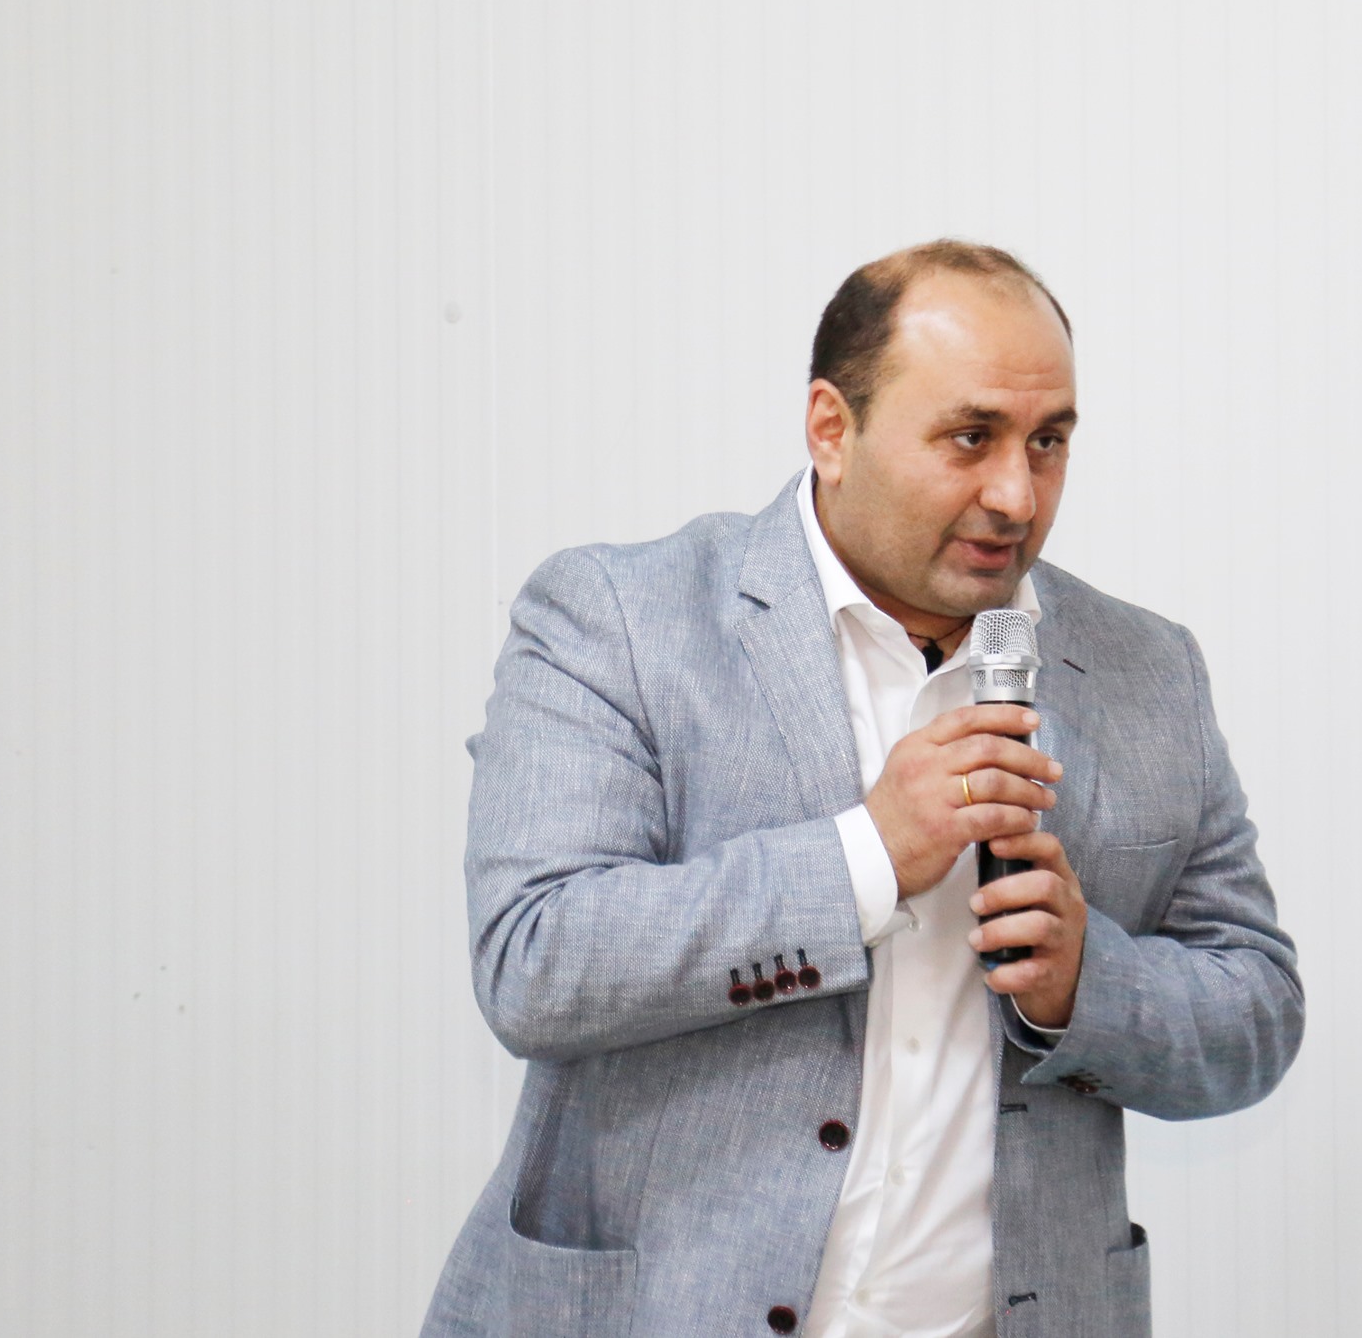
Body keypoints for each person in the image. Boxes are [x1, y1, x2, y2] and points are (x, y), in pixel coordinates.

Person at [422, 241, 1303, 1338]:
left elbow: (1256, 1012)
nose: (1015, 495)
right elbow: (536, 963)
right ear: (831, 429)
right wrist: (866, 858)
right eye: (970, 437)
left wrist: (1085, 981)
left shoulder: (1148, 670)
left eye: (1048, 441)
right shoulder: (620, 619)